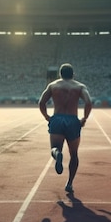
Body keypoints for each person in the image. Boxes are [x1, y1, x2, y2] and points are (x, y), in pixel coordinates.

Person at [38, 63, 92, 193]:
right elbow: (88, 102)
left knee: (54, 148)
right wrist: (84, 118)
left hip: (57, 118)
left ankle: (58, 154)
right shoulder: (79, 87)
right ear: (73, 74)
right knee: (74, 154)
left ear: (60, 74)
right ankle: (69, 183)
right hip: (73, 120)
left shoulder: (53, 85)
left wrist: (47, 117)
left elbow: (41, 102)